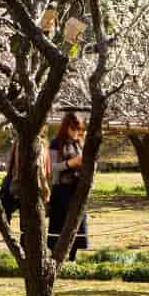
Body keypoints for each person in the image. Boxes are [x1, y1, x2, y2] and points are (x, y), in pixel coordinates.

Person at [46, 111, 89, 260]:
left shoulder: (80, 144)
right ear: (66, 127)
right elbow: (52, 168)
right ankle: (56, 257)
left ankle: (73, 257)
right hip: (61, 190)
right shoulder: (55, 144)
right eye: (73, 128)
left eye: (78, 129)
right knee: (59, 225)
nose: (76, 132)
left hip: (77, 189)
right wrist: (71, 163)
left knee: (77, 224)